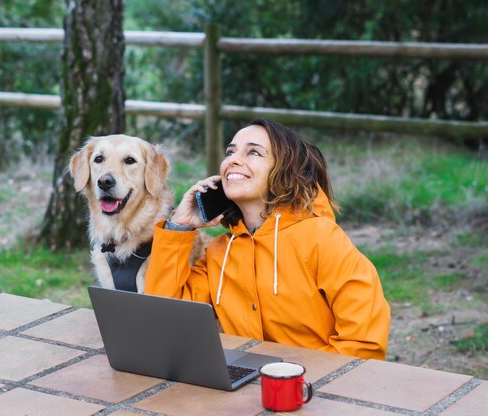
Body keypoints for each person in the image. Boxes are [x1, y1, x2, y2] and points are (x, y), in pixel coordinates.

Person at [144, 119, 390, 360]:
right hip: (247, 391)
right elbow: (166, 320)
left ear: (285, 169)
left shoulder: (322, 239)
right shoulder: (219, 253)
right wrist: (178, 227)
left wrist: (297, 384)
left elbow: (363, 342)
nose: (233, 160)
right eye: (230, 152)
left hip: (316, 391)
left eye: (253, 152)